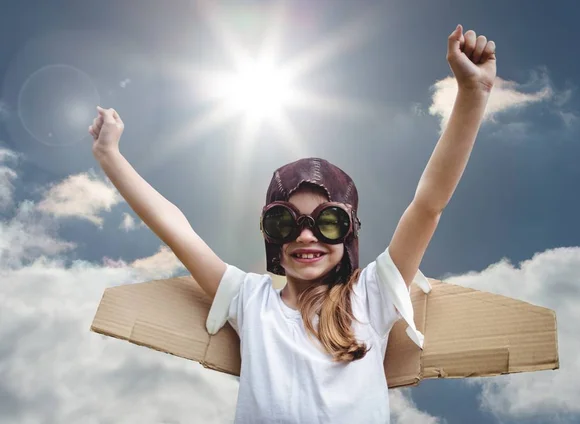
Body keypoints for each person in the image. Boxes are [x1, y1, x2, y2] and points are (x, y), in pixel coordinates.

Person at [90, 24, 496, 424]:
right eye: (286, 221)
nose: (306, 235)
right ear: (270, 234)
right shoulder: (249, 301)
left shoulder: (371, 297)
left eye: (329, 222)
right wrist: (110, 155)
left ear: (350, 232)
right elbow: (175, 228)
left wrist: (472, 95)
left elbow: (427, 205)